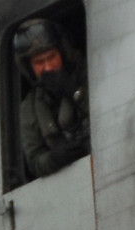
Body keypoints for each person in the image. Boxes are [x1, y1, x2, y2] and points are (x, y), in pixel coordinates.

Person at [10, 17, 88, 180]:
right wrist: (55, 158)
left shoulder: (88, 72)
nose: (48, 67)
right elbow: (34, 161)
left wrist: (73, 91)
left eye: (52, 57)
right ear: (29, 67)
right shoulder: (30, 107)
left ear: (62, 53)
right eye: (39, 62)